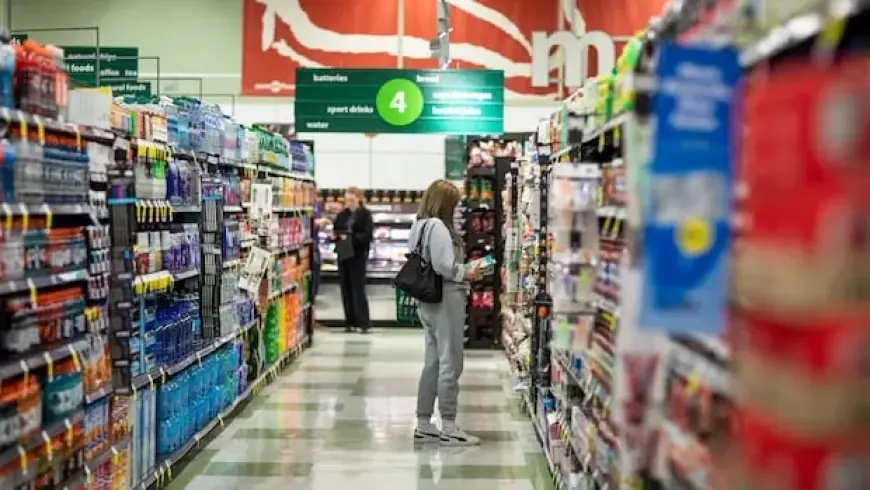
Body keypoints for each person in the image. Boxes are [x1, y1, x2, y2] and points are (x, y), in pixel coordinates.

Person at [409, 179, 483, 446]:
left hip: (427, 300)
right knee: (451, 361)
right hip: (446, 298)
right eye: (454, 204)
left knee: (433, 362)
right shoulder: (439, 227)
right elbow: (443, 266)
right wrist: (468, 272)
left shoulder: (418, 225)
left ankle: (423, 423)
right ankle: (449, 426)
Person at [331, 187, 373, 333]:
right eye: (347, 200)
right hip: (343, 253)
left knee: (358, 289)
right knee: (345, 288)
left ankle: (363, 322)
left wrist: (351, 238)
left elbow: (367, 235)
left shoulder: (365, 214)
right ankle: (349, 321)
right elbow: (336, 230)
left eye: (352, 200)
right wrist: (335, 237)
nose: (349, 202)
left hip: (358, 255)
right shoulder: (342, 215)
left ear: (359, 199)